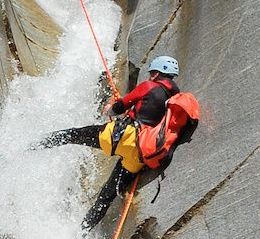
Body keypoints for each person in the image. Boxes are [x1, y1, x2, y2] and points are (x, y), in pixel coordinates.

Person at [41, 55, 199, 228]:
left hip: (123, 137)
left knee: (72, 135)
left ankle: (33, 146)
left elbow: (120, 107)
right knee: (106, 196)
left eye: (151, 73)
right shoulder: (174, 100)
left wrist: (110, 109)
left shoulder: (149, 86)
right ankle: (80, 237)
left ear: (155, 73)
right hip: (139, 155)